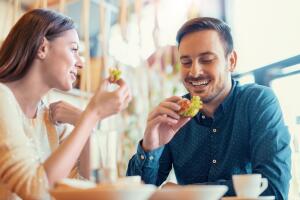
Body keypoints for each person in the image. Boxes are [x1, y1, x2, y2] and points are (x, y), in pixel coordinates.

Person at [127, 17, 291, 199]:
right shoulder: (173, 115)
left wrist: (184, 193)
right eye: (186, 62)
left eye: (206, 60)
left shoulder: (258, 101)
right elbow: (136, 194)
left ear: (231, 61)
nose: (194, 72)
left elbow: (274, 190)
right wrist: (151, 147)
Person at [0, 9, 131, 200]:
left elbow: (78, 189)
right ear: (42, 48)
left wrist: (85, 124)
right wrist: (92, 114)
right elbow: (37, 191)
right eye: (74, 49)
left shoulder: (48, 116)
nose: (81, 63)